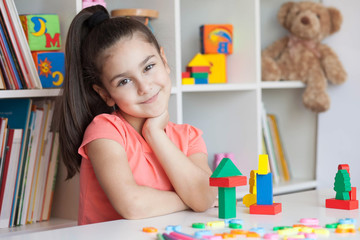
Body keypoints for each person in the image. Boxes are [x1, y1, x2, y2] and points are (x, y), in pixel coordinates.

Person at [56, 5, 217, 225]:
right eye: (124, 81)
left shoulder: (189, 137)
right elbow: (132, 205)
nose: (144, 87)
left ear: (164, 60)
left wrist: (155, 134)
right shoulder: (105, 132)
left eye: (149, 67)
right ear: (105, 94)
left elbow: (205, 196)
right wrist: (189, 200)